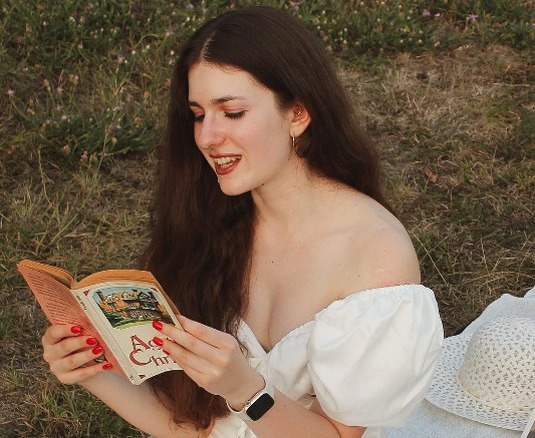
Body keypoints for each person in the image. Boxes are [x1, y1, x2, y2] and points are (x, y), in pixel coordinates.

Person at [39, 5, 443, 438]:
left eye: (231, 113)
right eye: (198, 114)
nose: (207, 137)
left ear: (298, 114)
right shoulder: (210, 223)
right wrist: (93, 371)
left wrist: (247, 392)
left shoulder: (376, 258)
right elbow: (195, 428)